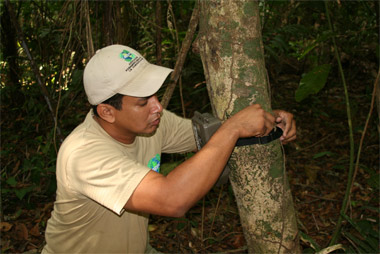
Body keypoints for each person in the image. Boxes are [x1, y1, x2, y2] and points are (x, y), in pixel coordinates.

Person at [42, 44, 296, 253]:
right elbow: (172, 200)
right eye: (143, 102)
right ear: (107, 112)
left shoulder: (150, 124)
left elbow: (208, 137)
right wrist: (233, 128)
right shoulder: (84, 154)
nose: (157, 107)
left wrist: (269, 120)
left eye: (155, 95)